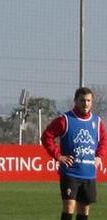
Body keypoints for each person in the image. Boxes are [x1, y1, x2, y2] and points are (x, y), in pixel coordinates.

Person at [42, 87, 107, 220]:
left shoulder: (97, 121)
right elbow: (46, 137)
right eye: (82, 100)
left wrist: (99, 157)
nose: (86, 103)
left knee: (84, 209)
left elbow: (104, 140)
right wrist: (58, 156)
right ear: (75, 101)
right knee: (69, 206)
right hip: (70, 173)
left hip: (89, 173)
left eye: (89, 100)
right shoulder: (65, 119)